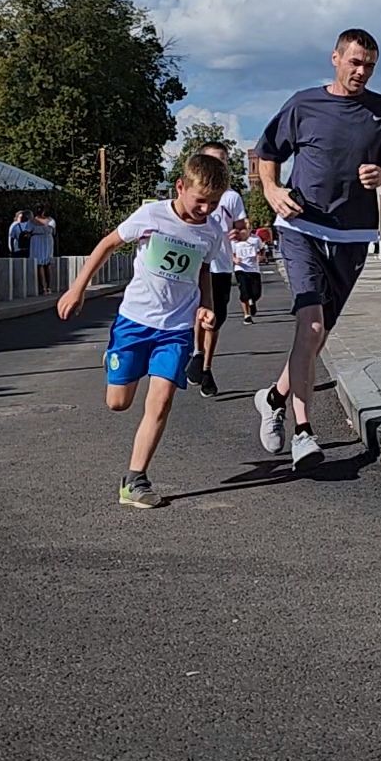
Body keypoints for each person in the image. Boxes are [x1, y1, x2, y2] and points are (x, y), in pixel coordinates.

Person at [253, 27, 381, 468]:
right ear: (335, 58)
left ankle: (272, 399)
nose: (361, 71)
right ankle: (303, 432)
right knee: (309, 326)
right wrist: (271, 190)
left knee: (318, 335)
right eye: (355, 62)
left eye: (369, 65)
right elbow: (267, 151)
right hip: (301, 225)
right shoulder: (304, 105)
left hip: (354, 234)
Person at [58, 152, 232, 509]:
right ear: (180, 187)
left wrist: (206, 304)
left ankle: (135, 479)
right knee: (118, 403)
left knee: (162, 400)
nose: (206, 209)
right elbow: (108, 244)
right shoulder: (152, 215)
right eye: (201, 201)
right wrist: (78, 288)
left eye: (213, 203)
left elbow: (202, 269)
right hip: (135, 321)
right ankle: (114, 359)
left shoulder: (212, 231)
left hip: (176, 328)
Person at [186, 141, 247, 398]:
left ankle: (206, 367)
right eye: (213, 160)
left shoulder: (231, 197)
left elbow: (244, 228)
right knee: (195, 314)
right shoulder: (190, 191)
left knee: (214, 320)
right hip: (194, 264)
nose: (219, 165)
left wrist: (240, 233)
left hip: (220, 266)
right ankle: (195, 353)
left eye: (223, 161)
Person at [230, 218, 264, 324]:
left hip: (254, 269)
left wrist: (260, 257)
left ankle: (252, 302)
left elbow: (262, 250)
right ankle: (247, 315)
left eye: (248, 228)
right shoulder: (234, 240)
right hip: (241, 269)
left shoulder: (255, 239)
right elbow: (230, 253)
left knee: (256, 293)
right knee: (244, 292)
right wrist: (235, 260)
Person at [29, 207, 57, 296]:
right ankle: (48, 287)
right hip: (47, 240)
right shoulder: (51, 221)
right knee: (46, 263)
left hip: (37, 240)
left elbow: (27, 230)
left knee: (40, 264)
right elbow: (53, 231)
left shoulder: (32, 221)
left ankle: (44, 288)